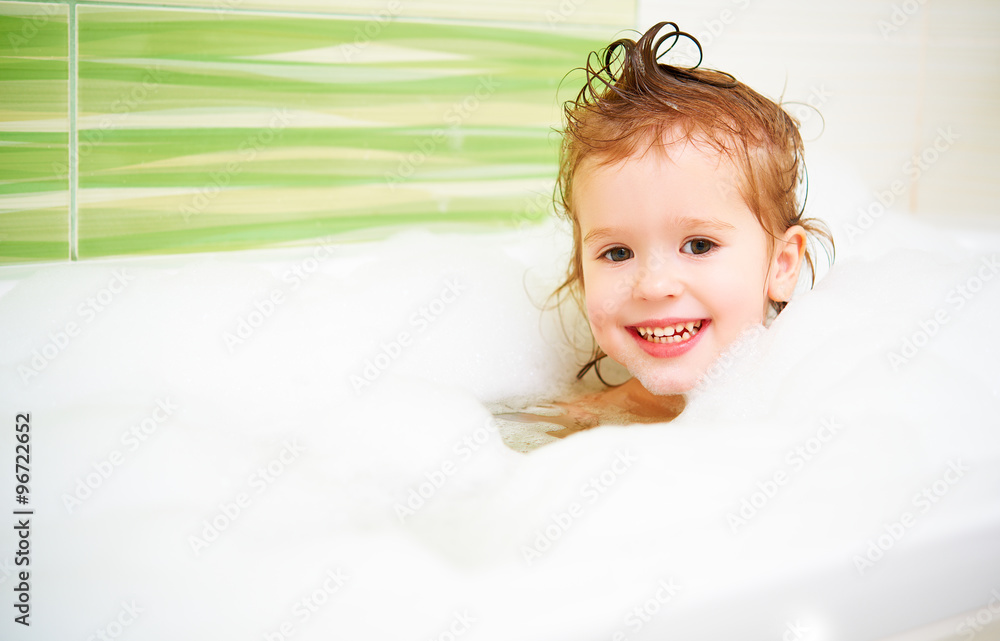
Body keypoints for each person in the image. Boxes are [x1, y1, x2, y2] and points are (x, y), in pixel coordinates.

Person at [495, 21, 833, 447]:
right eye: (617, 253)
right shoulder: (574, 429)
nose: (654, 285)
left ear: (782, 264)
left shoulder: (821, 412)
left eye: (698, 245)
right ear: (580, 271)